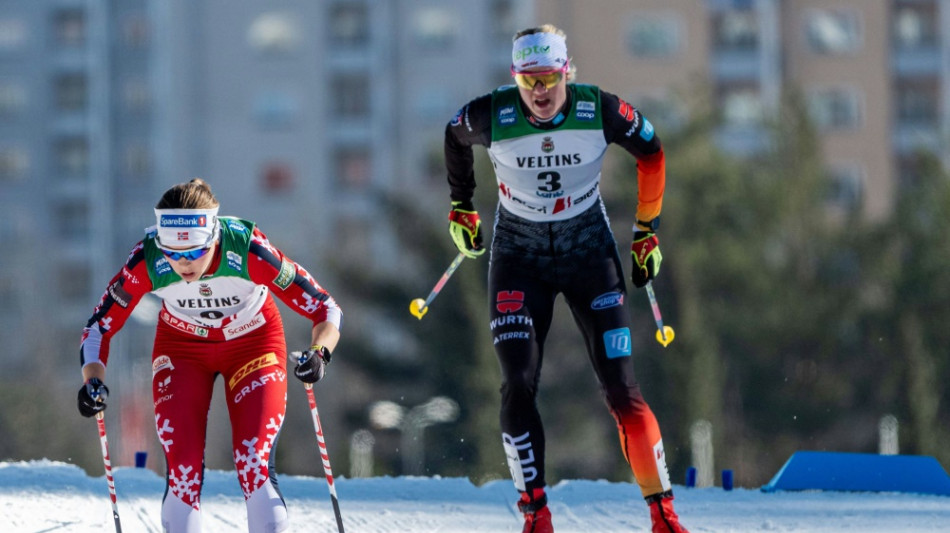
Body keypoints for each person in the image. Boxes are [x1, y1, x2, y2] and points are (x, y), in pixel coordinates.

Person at [443, 25, 688, 533]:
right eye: (528, 79)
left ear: (566, 72)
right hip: (519, 256)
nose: (539, 90)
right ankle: (536, 515)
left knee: (622, 389)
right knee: (516, 385)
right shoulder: (494, 113)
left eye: (549, 77)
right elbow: (454, 135)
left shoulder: (598, 108)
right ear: (516, 78)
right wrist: (461, 205)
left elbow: (653, 152)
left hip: (588, 253)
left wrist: (647, 233)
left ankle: (663, 514)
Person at [76, 178, 342, 533]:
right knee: (183, 469)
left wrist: (319, 353)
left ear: (214, 237)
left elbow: (325, 307)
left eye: (194, 252)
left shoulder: (249, 251)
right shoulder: (147, 259)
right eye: (173, 253)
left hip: (254, 343)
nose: (183, 264)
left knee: (254, 462)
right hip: (182, 348)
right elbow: (99, 327)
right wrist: (93, 380)